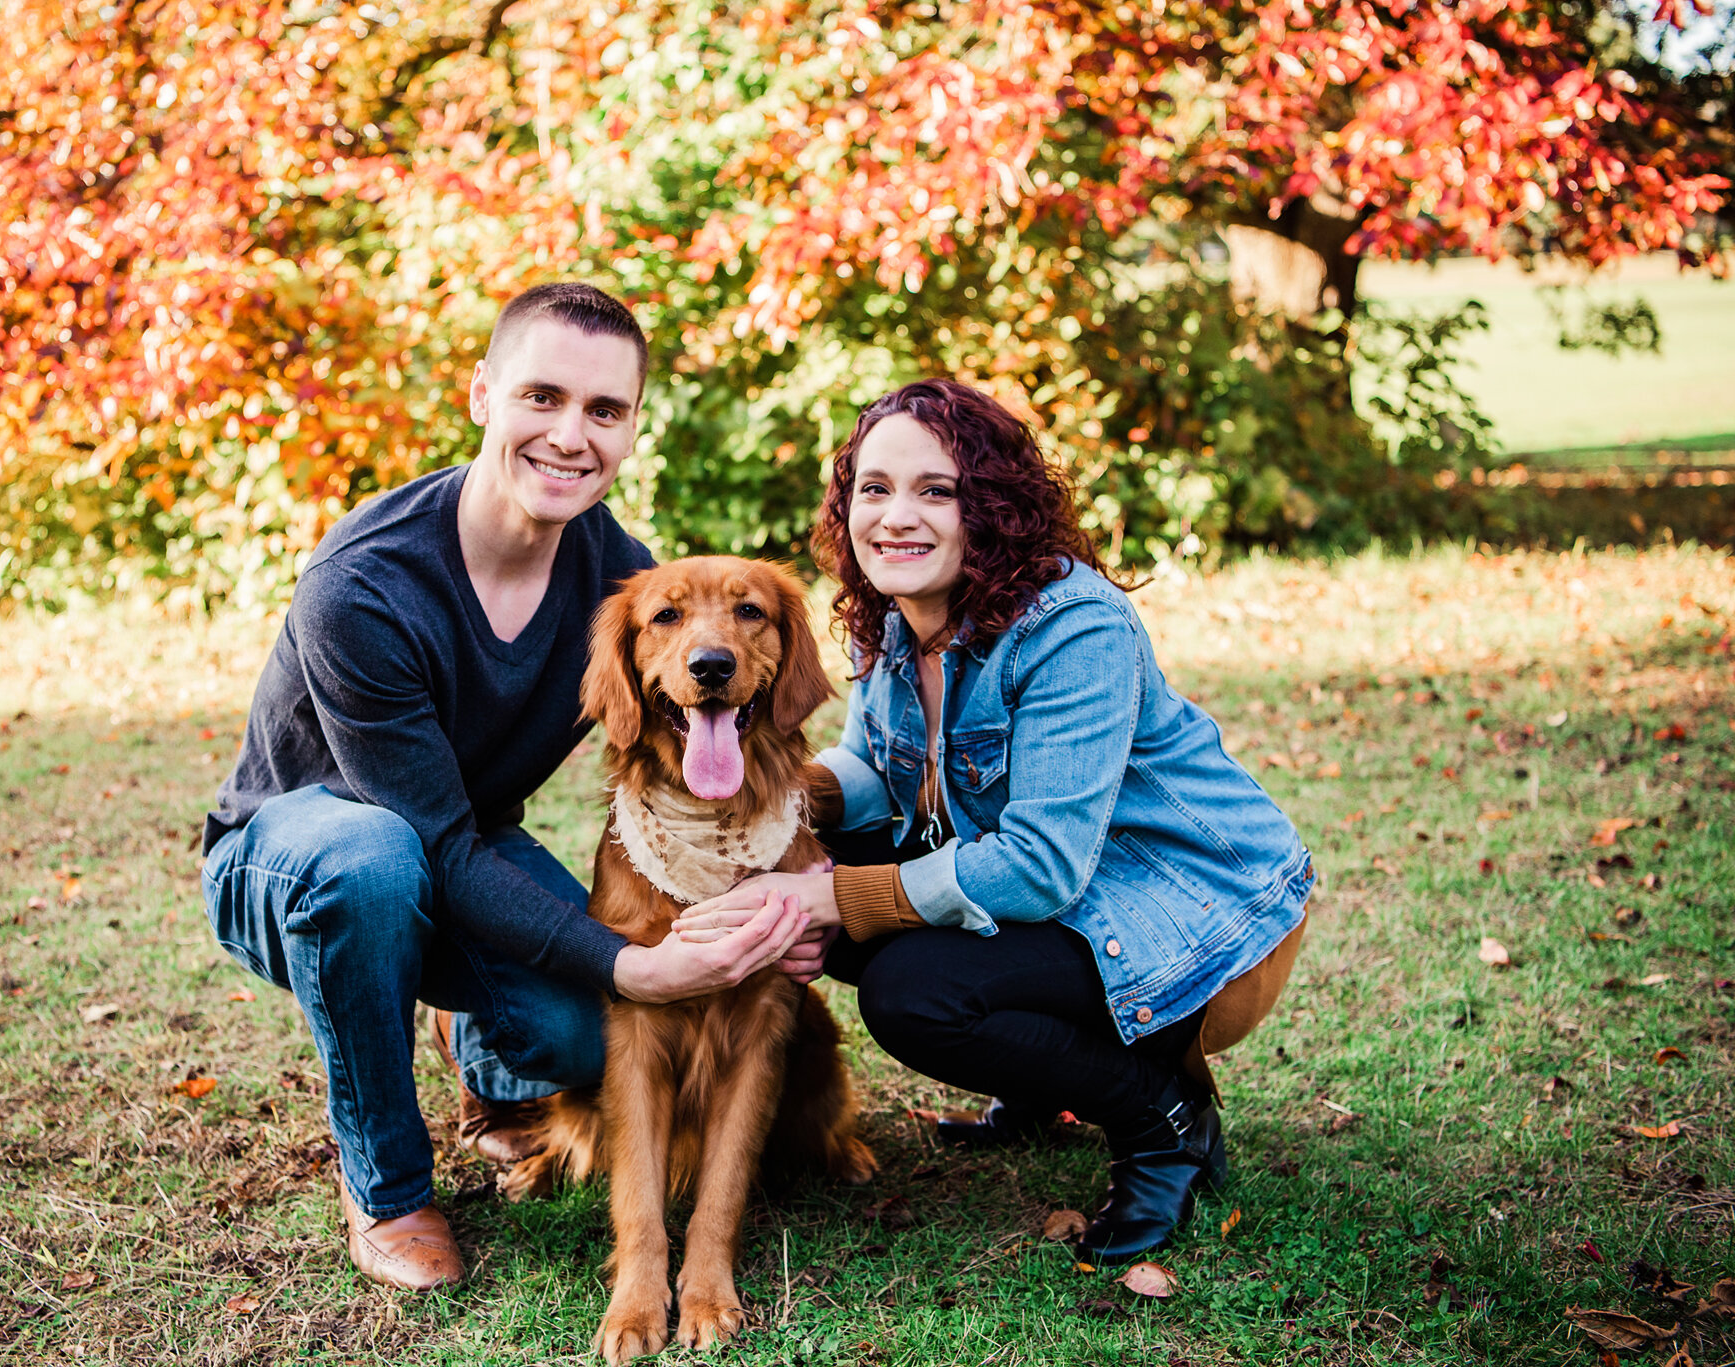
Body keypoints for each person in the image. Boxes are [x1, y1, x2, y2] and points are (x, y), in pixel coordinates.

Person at [201, 283, 812, 1293]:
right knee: (375, 862)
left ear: (628, 428)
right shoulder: (362, 582)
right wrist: (627, 963)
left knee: (579, 1035)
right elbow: (428, 840)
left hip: (461, 845)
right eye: (541, 396)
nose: (570, 434)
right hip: (298, 854)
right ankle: (387, 1183)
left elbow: (673, 762)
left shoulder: (626, 580)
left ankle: (475, 1051)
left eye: (603, 410)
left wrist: (798, 869)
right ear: (483, 393)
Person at [676, 379, 1313, 1261]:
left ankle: (1160, 1120)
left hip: (1194, 916)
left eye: (935, 490)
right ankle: (1041, 1080)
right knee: (839, 885)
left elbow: (1041, 866)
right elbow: (876, 769)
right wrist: (772, 800)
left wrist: (829, 898)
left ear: (995, 505)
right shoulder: (893, 618)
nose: (896, 516)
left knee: (912, 991)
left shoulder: (1075, 626)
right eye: (874, 487)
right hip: (1074, 895)